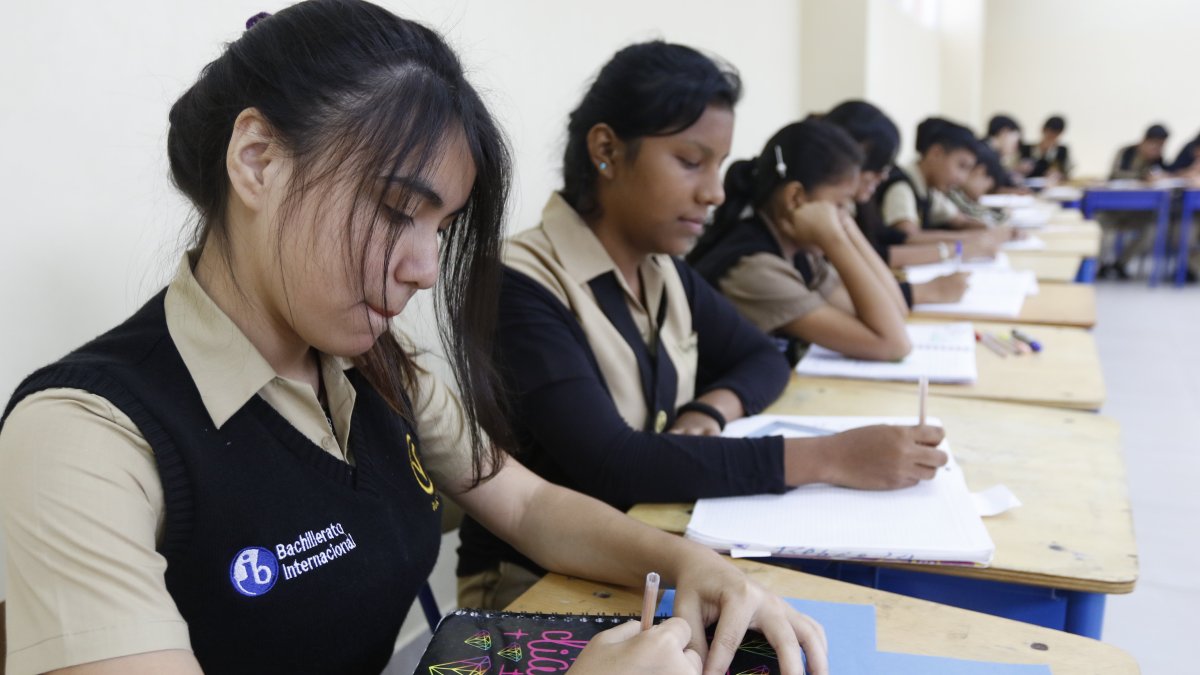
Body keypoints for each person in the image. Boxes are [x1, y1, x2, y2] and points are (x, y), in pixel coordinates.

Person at [0, 4, 830, 674]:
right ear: (257, 159)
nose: (426, 268)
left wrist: (696, 567)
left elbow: (528, 503)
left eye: (443, 225)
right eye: (398, 210)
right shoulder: (85, 435)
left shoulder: (375, 368)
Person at [455, 42, 948, 610]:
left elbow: (761, 357)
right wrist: (830, 458)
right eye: (691, 162)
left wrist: (710, 409)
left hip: (654, 546)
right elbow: (614, 463)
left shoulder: (664, 271)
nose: (714, 191)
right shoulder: (519, 283)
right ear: (607, 150)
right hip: (537, 583)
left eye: (718, 165)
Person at [687, 119, 912, 364]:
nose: (848, 213)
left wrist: (848, 230)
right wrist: (836, 240)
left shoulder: (800, 253)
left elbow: (896, 311)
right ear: (795, 198)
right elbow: (893, 344)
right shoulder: (755, 268)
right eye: (839, 204)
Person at [823, 100, 970, 306]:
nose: (883, 176)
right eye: (875, 165)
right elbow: (898, 242)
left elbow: (885, 240)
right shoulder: (898, 186)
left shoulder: (854, 205)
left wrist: (963, 244)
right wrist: (953, 252)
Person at [1099, 124, 1171, 279]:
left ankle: (1121, 264)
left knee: (1151, 230)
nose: (1157, 148)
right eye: (1154, 144)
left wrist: (1158, 174)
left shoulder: (1158, 158)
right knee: (1101, 228)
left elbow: (1162, 177)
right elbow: (1115, 174)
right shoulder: (1126, 152)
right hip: (1112, 209)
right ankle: (1101, 265)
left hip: (1137, 212)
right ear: (1144, 140)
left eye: (1161, 145)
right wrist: (1141, 175)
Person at [1019, 115, 1072, 180]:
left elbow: (1066, 173)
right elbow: (1014, 171)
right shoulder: (1026, 148)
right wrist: (1020, 169)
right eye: (1049, 134)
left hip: (1051, 186)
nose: (1051, 138)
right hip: (1026, 186)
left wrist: (1059, 175)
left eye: (1055, 135)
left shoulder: (1062, 151)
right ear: (1043, 130)